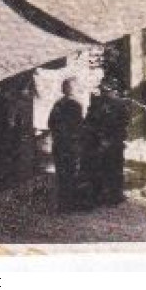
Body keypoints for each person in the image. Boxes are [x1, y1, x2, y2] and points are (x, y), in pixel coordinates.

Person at [83, 75, 130, 207]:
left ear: (114, 90)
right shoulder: (96, 102)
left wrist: (110, 139)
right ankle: (99, 195)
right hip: (98, 141)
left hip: (113, 142)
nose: (106, 92)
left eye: (108, 89)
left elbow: (122, 125)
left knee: (113, 169)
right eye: (104, 89)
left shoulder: (120, 104)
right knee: (99, 168)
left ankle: (114, 196)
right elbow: (89, 121)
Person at [47, 79, 86, 211]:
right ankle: (70, 204)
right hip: (71, 144)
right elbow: (79, 126)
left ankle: (63, 204)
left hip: (59, 143)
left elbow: (51, 123)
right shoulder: (76, 105)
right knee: (71, 172)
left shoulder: (58, 104)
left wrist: (58, 135)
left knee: (61, 173)